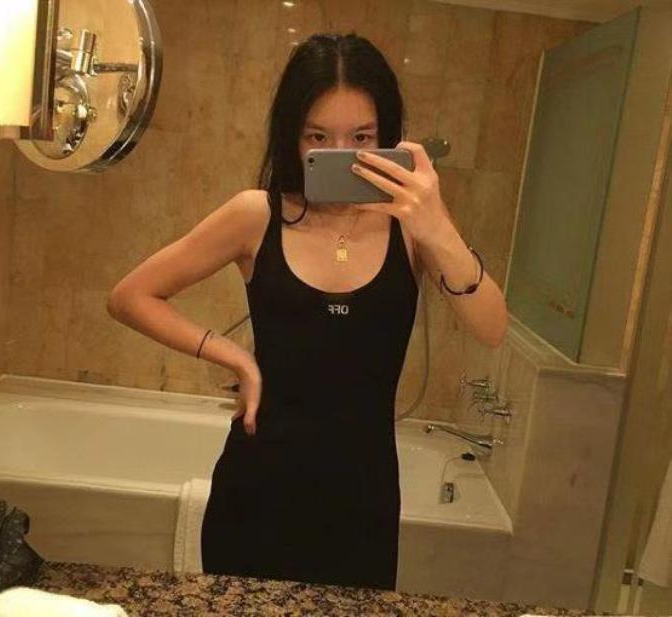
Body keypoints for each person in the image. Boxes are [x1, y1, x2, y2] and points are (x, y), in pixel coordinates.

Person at [107, 32, 507, 591]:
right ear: (292, 135)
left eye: (361, 137)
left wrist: (437, 225)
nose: (342, 153)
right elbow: (130, 296)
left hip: (362, 503)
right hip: (256, 491)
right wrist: (235, 359)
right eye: (319, 136)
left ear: (387, 136)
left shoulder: (412, 228)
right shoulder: (256, 215)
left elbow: (491, 327)